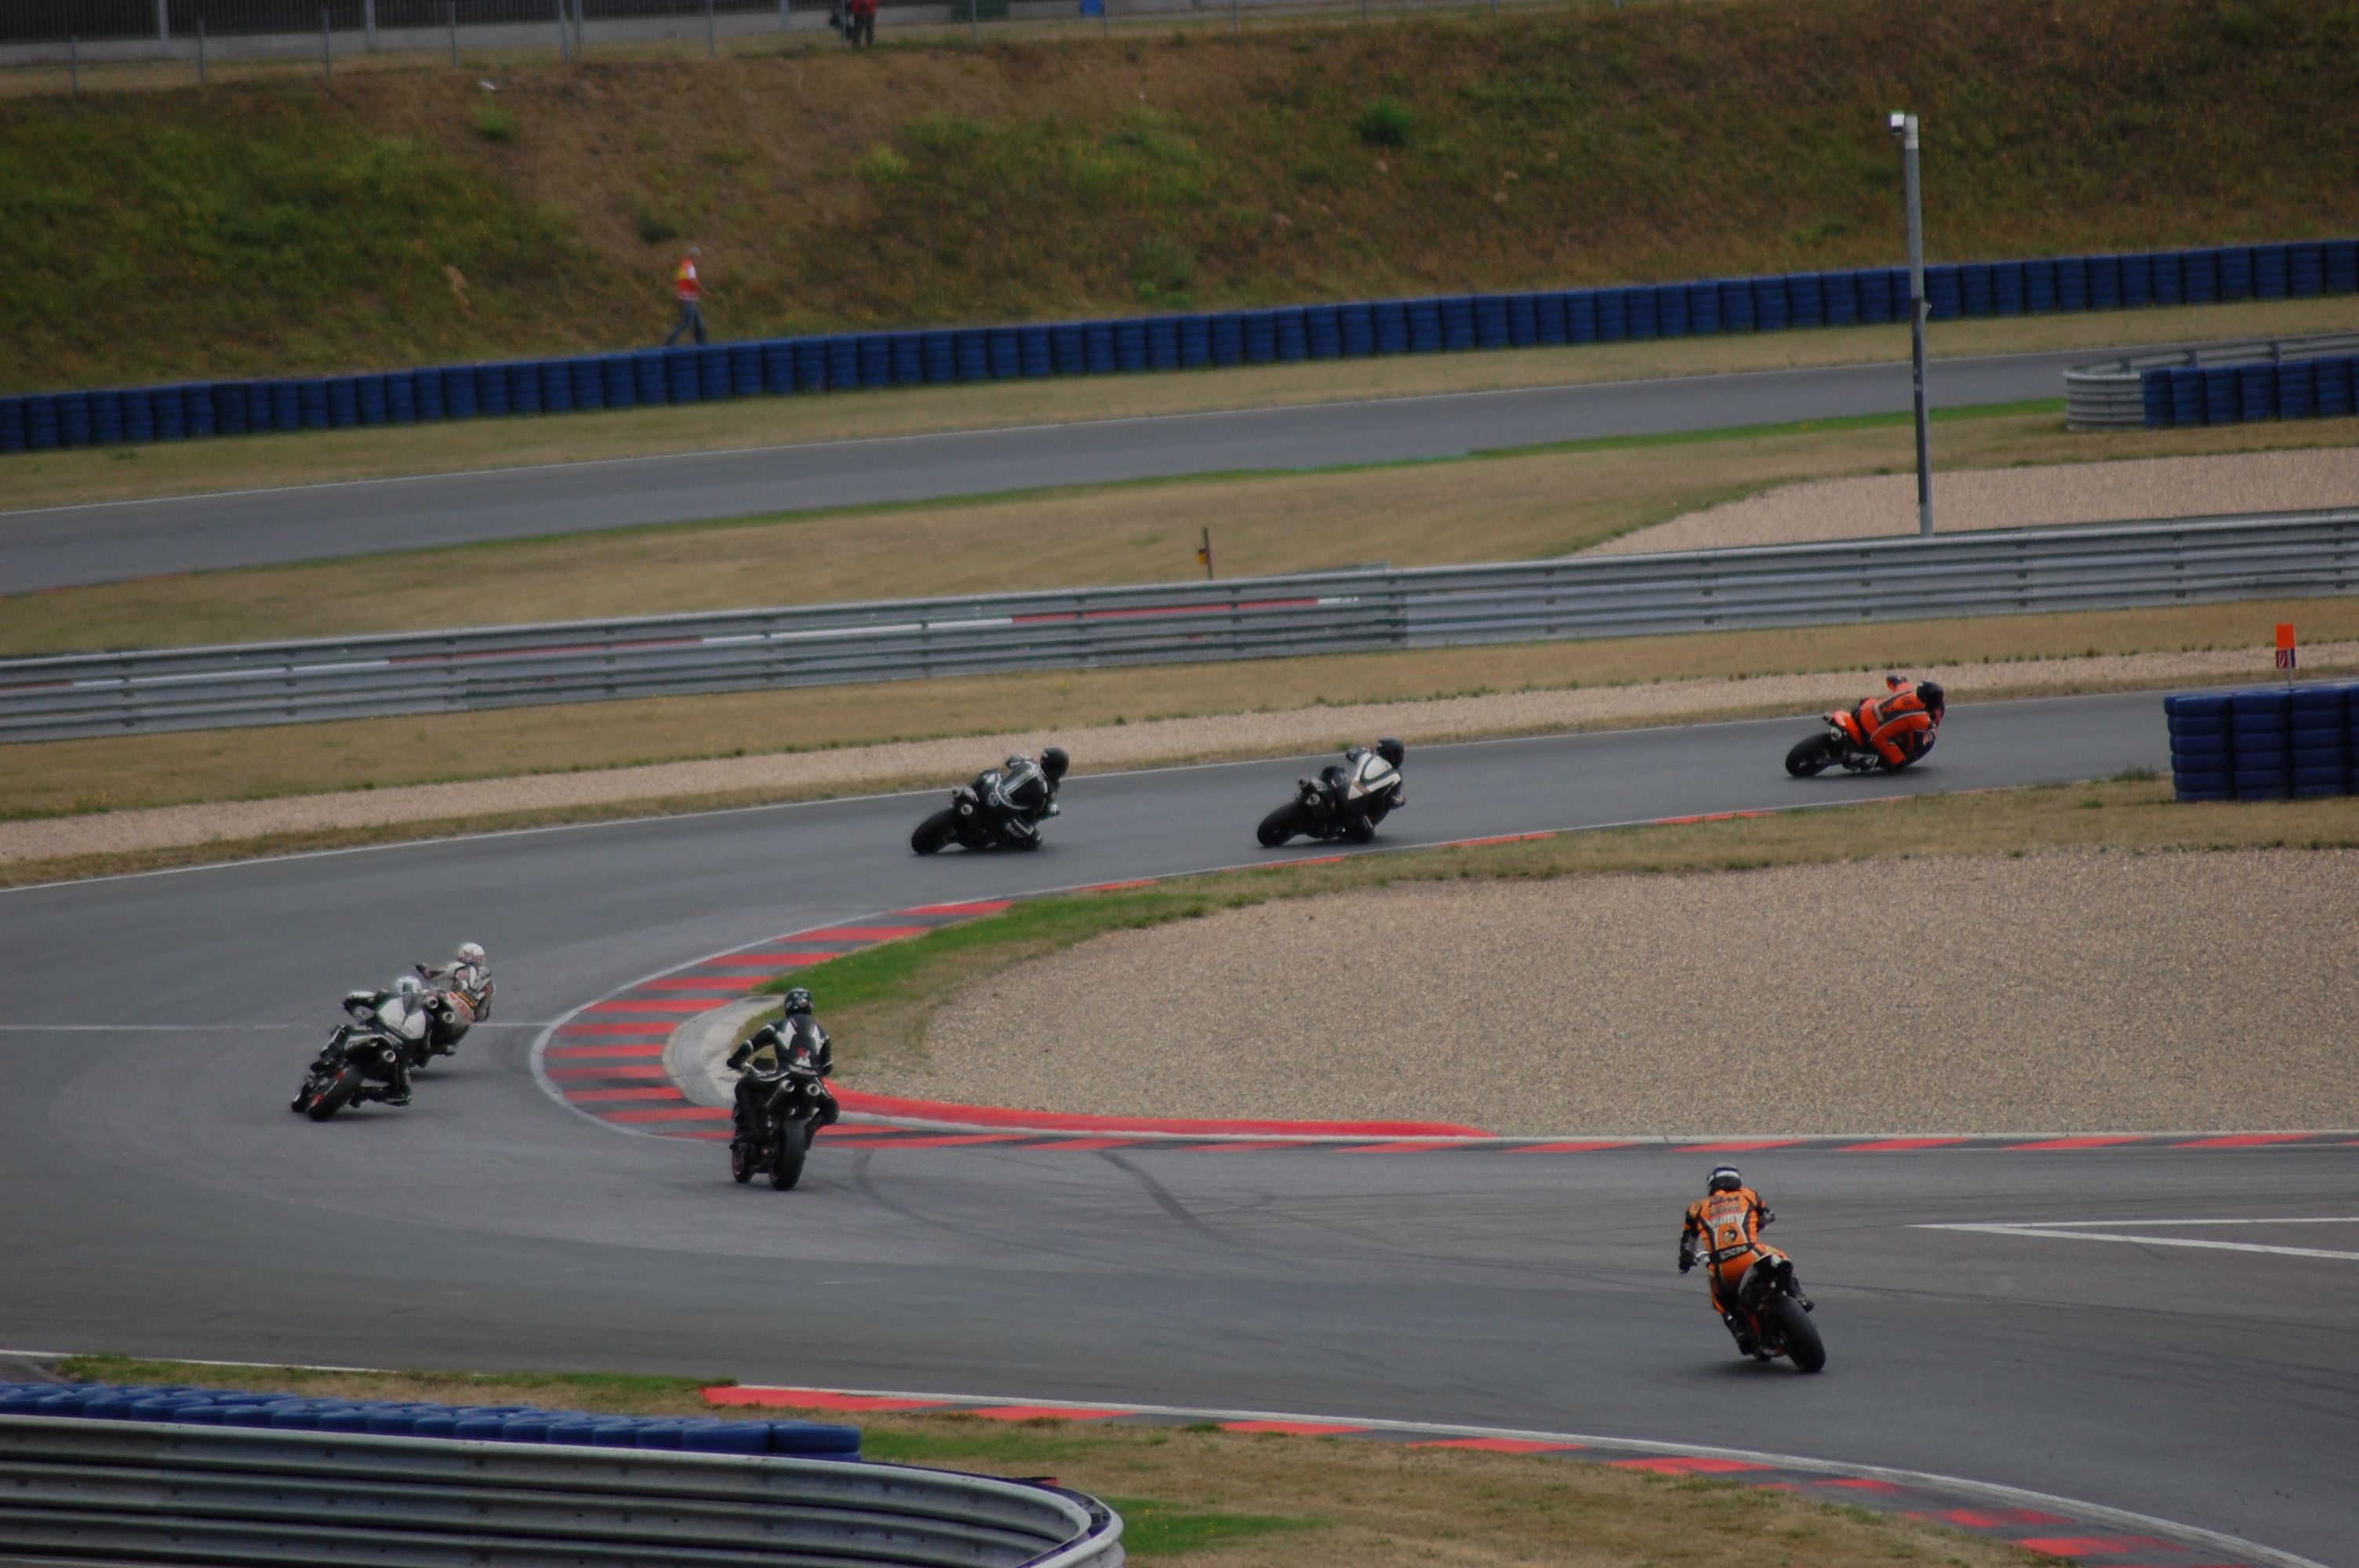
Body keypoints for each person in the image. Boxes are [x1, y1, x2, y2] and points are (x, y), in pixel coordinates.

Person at [1678, 1165, 1806, 1358]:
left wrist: (1686, 1263)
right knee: (1780, 1256)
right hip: (1751, 1254)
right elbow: (1768, 1216)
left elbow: (1687, 1247)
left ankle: (1741, 1332)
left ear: (1712, 1184)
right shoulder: (1749, 1195)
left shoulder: (1697, 1208)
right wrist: (1753, 1226)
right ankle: (1798, 1295)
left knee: (1720, 1300)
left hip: (1722, 1268)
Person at [727, 986, 838, 1138]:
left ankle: (752, 1129)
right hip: (812, 1080)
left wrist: (735, 1060)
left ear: (787, 1006)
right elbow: (827, 1067)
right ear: (811, 1006)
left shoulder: (778, 1025)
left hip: (785, 1074)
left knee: (743, 1085)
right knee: (832, 1108)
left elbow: (750, 1045)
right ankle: (808, 1131)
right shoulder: (822, 1033)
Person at [416, 941, 493, 1056]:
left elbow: (431, 976)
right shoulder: (490, 986)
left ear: (467, 957)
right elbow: (481, 1016)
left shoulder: (459, 967)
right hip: (464, 1021)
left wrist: (422, 968)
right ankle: (441, 1046)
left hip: (451, 1002)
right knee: (463, 1030)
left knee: (430, 994)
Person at [1852, 675, 1944, 768]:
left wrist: (1899, 678)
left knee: (1869, 700)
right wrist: (1931, 735)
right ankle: (1863, 760)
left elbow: (1893, 678)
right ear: (1932, 702)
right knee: (1899, 763)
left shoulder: (1906, 689)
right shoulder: (1921, 718)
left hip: (1862, 712)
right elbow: (1920, 744)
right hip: (1873, 734)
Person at [663, 245, 707, 347]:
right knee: (686, 323)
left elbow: (679, 282)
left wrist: (679, 296)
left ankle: (703, 345)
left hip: (686, 298)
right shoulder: (690, 267)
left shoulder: (682, 266)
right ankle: (669, 343)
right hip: (689, 299)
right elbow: (693, 281)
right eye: (698, 257)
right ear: (694, 256)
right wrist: (705, 292)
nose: (699, 260)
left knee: (699, 324)